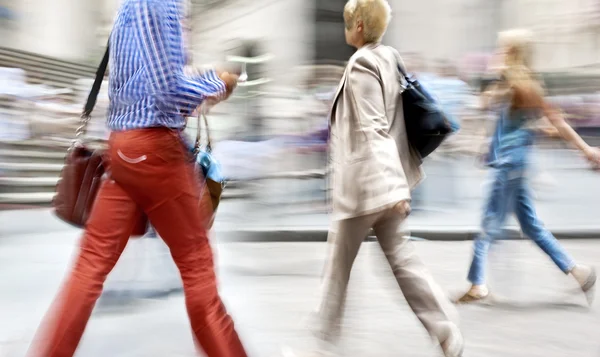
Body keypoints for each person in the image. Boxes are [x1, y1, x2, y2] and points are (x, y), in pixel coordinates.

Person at [27, 1, 247, 356]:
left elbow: (148, 84)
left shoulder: (130, 5)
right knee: (196, 266)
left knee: (90, 266)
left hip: (123, 149)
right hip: (155, 150)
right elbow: (166, 90)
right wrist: (216, 84)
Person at [283, 1, 464, 356]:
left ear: (360, 26)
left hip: (366, 186)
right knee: (402, 260)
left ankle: (319, 344)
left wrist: (393, 186)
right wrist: (396, 185)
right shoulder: (388, 56)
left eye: (348, 21)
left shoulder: (362, 63)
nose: (345, 27)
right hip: (384, 184)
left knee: (337, 270)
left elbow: (373, 127)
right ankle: (444, 330)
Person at [457, 29, 599, 304]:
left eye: (501, 49)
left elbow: (483, 104)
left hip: (509, 165)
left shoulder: (515, 83)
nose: (497, 53)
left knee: (488, 224)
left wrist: (586, 150)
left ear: (511, 52)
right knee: (531, 226)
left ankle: (477, 284)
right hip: (514, 163)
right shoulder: (524, 83)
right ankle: (578, 272)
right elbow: (548, 122)